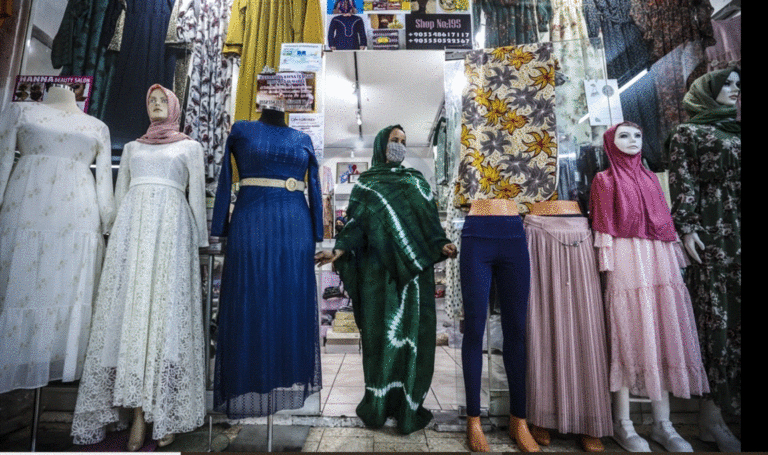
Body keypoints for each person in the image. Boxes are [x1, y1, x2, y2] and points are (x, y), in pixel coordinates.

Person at [71, 84, 207, 450]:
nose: (157, 105)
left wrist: (198, 244)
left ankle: (163, 411)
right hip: (133, 232)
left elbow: (196, 198)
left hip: (171, 233)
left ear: (174, 106)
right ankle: (135, 413)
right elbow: (120, 196)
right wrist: (114, 234)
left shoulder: (190, 147)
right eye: (151, 101)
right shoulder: (132, 148)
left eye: (163, 100)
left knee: (165, 319)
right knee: (132, 316)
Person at [315, 125, 457, 434]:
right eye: (394, 140)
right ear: (382, 144)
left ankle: (408, 405)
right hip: (378, 277)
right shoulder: (367, 185)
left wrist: (442, 244)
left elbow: (430, 224)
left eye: (404, 141)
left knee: (413, 339)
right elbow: (355, 226)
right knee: (381, 337)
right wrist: (337, 251)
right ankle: (378, 403)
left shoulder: (417, 182)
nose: (400, 146)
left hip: (414, 278)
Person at [589, 122, 709, 452]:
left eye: (638, 135)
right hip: (626, 257)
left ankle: (663, 424)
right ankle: (623, 422)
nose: (632, 141)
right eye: (623, 135)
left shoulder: (652, 178)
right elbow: (603, 225)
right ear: (610, 142)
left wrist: (673, 257)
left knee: (661, 331)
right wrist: (607, 264)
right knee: (628, 330)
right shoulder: (604, 180)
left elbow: (663, 221)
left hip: (657, 257)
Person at [211, 102, 323, 420]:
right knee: (250, 299)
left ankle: (286, 374)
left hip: (295, 226)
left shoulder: (303, 138)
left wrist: (317, 230)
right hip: (251, 221)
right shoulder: (242, 130)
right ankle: (250, 378)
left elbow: (314, 184)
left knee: (289, 300)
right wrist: (219, 226)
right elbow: (224, 179)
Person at [0, 84, 115, 395]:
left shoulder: (97, 127)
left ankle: (51, 369)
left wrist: (109, 220)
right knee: (20, 285)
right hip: (26, 207)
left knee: (66, 288)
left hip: (78, 215)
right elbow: (2, 161)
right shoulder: (19, 111)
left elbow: (104, 181)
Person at [667, 68, 741, 452]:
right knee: (717, 326)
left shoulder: (736, 132)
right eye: (726, 83)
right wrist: (687, 228)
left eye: (738, 84)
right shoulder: (687, 134)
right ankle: (712, 418)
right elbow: (683, 183)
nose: (735, 89)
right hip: (713, 236)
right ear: (706, 91)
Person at [459, 197, 539, 453]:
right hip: (476, 231)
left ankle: (519, 419)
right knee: (474, 329)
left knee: (516, 329)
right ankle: (473, 420)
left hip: (514, 231)